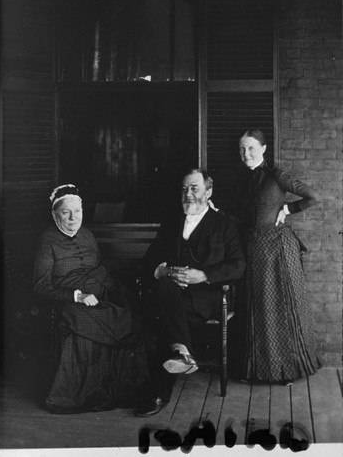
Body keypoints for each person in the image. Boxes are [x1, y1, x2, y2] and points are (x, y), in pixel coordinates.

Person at [135, 169, 246, 417]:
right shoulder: (172, 221)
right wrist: (163, 271)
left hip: (205, 297)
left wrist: (204, 275)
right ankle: (182, 352)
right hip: (171, 295)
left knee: (165, 320)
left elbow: (238, 265)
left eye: (194, 188)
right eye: (185, 189)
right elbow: (150, 258)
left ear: (208, 192)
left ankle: (160, 391)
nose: (188, 194)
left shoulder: (224, 225)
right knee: (165, 291)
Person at [33, 184, 149, 413]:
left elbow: (98, 267)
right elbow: (40, 286)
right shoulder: (47, 241)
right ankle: (81, 394)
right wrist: (77, 295)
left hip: (101, 289)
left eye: (78, 211)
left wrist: (111, 290)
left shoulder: (87, 234)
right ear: (55, 214)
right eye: (66, 212)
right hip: (70, 299)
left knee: (130, 308)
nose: (73, 217)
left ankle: (123, 390)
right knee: (85, 320)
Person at [234, 129, 321, 384]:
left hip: (279, 250)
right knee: (259, 308)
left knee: (280, 307)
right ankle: (259, 370)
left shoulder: (276, 175)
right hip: (253, 249)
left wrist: (289, 208)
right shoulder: (241, 180)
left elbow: (313, 196)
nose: (246, 153)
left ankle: (288, 371)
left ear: (263, 149)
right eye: (242, 149)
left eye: (250, 148)